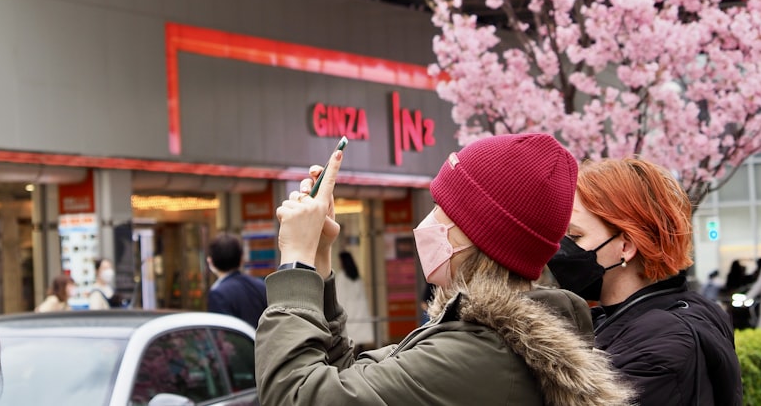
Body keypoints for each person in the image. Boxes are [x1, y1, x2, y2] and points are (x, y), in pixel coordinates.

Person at [256, 133, 634, 406]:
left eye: (441, 212)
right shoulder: (480, 339)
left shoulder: (478, 355)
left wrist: (296, 261)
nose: (425, 223)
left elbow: (297, 395)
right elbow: (351, 383)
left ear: (475, 235)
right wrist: (320, 260)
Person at [547, 158, 742, 406]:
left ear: (626, 246)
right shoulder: (629, 318)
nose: (561, 248)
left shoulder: (661, 346)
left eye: (575, 236)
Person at [206, 233, 268, 327]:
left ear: (210, 261)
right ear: (241, 259)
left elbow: (223, 334)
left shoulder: (218, 294)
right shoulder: (260, 285)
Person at [335, 250, 375, 351]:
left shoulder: (342, 276)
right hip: (360, 310)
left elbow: (339, 295)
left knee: (350, 335)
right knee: (360, 336)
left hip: (348, 310)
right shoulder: (357, 276)